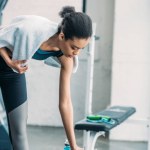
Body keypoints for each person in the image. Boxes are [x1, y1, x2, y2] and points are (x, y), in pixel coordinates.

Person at [0, 6, 92, 150]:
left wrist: (74, 145)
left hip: (13, 71)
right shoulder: (31, 29)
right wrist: (9, 61)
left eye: (81, 49)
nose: (77, 53)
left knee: (19, 131)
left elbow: (65, 102)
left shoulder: (67, 58)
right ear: (62, 36)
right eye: (74, 47)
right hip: (9, 61)